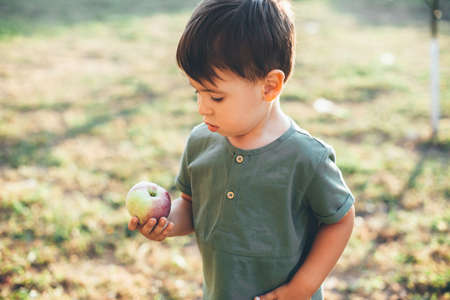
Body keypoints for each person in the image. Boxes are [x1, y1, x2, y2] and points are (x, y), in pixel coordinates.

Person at [128, 0, 355, 299]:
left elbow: (340, 220)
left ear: (270, 87)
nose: (202, 108)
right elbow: (193, 206)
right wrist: (166, 223)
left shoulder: (306, 157)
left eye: (216, 97)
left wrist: (301, 287)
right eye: (197, 91)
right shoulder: (200, 142)